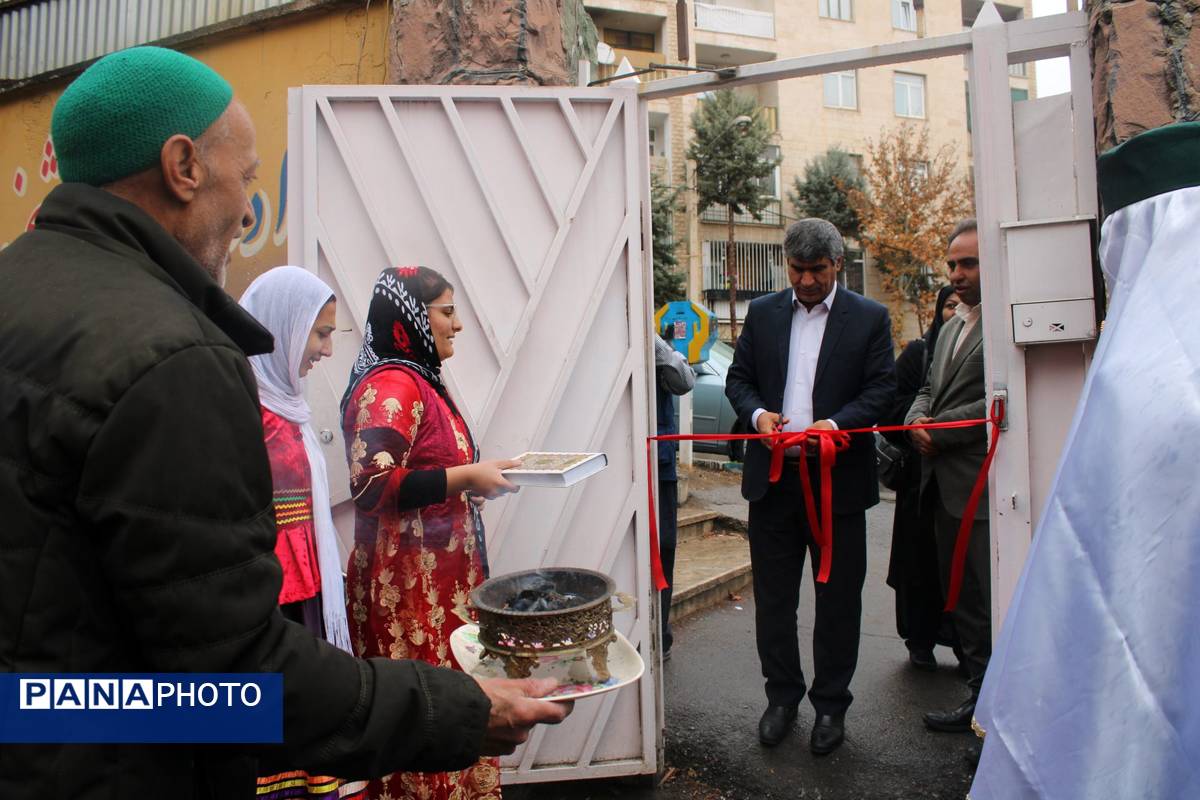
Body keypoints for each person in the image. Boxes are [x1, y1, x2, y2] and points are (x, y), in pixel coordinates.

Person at [0, 46, 567, 798]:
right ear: (184, 167)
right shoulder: (171, 357)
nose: (245, 210)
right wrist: (456, 709)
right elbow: (234, 680)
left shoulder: (18, 288)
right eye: (249, 178)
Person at [341, 266, 525, 800]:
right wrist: (467, 476)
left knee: (452, 708)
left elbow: (420, 473)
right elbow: (371, 484)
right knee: (425, 712)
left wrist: (473, 482)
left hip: (438, 589)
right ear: (413, 319)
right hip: (408, 595)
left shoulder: (418, 378)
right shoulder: (393, 384)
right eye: (446, 311)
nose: (458, 325)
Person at [725, 218, 895, 755]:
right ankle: (781, 698)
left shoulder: (869, 318)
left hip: (837, 487)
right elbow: (738, 379)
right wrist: (756, 416)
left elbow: (883, 391)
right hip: (772, 485)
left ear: (837, 265)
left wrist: (837, 425)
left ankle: (830, 706)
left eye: (816, 271)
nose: (804, 281)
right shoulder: (763, 313)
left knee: (838, 600)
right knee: (775, 601)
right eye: (796, 270)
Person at [240, 266, 365, 799]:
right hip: (267, 607)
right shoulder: (245, 413)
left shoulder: (286, 408)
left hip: (303, 597)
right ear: (280, 329)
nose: (327, 350)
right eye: (319, 333)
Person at [905, 218, 990, 734]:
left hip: (979, 488)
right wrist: (917, 421)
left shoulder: (1002, 322)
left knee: (985, 599)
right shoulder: (952, 324)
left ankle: (993, 715)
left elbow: (1001, 398)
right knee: (964, 602)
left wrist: (943, 431)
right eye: (953, 264)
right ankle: (978, 701)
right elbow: (925, 389)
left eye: (969, 263)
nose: (956, 274)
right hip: (938, 487)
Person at [883, 287, 961, 671]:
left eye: (961, 306)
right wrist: (915, 429)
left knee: (962, 564)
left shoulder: (983, 351)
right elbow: (890, 408)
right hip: (918, 480)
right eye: (949, 305)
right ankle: (920, 638)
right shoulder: (919, 353)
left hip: (962, 476)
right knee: (920, 563)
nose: (955, 311)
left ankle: (968, 644)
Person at [654, 328, 696, 661]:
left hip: (661, 465)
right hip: (623, 467)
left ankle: (660, 632)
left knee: (664, 546)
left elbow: (685, 381)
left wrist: (655, 343)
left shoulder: (659, 348)